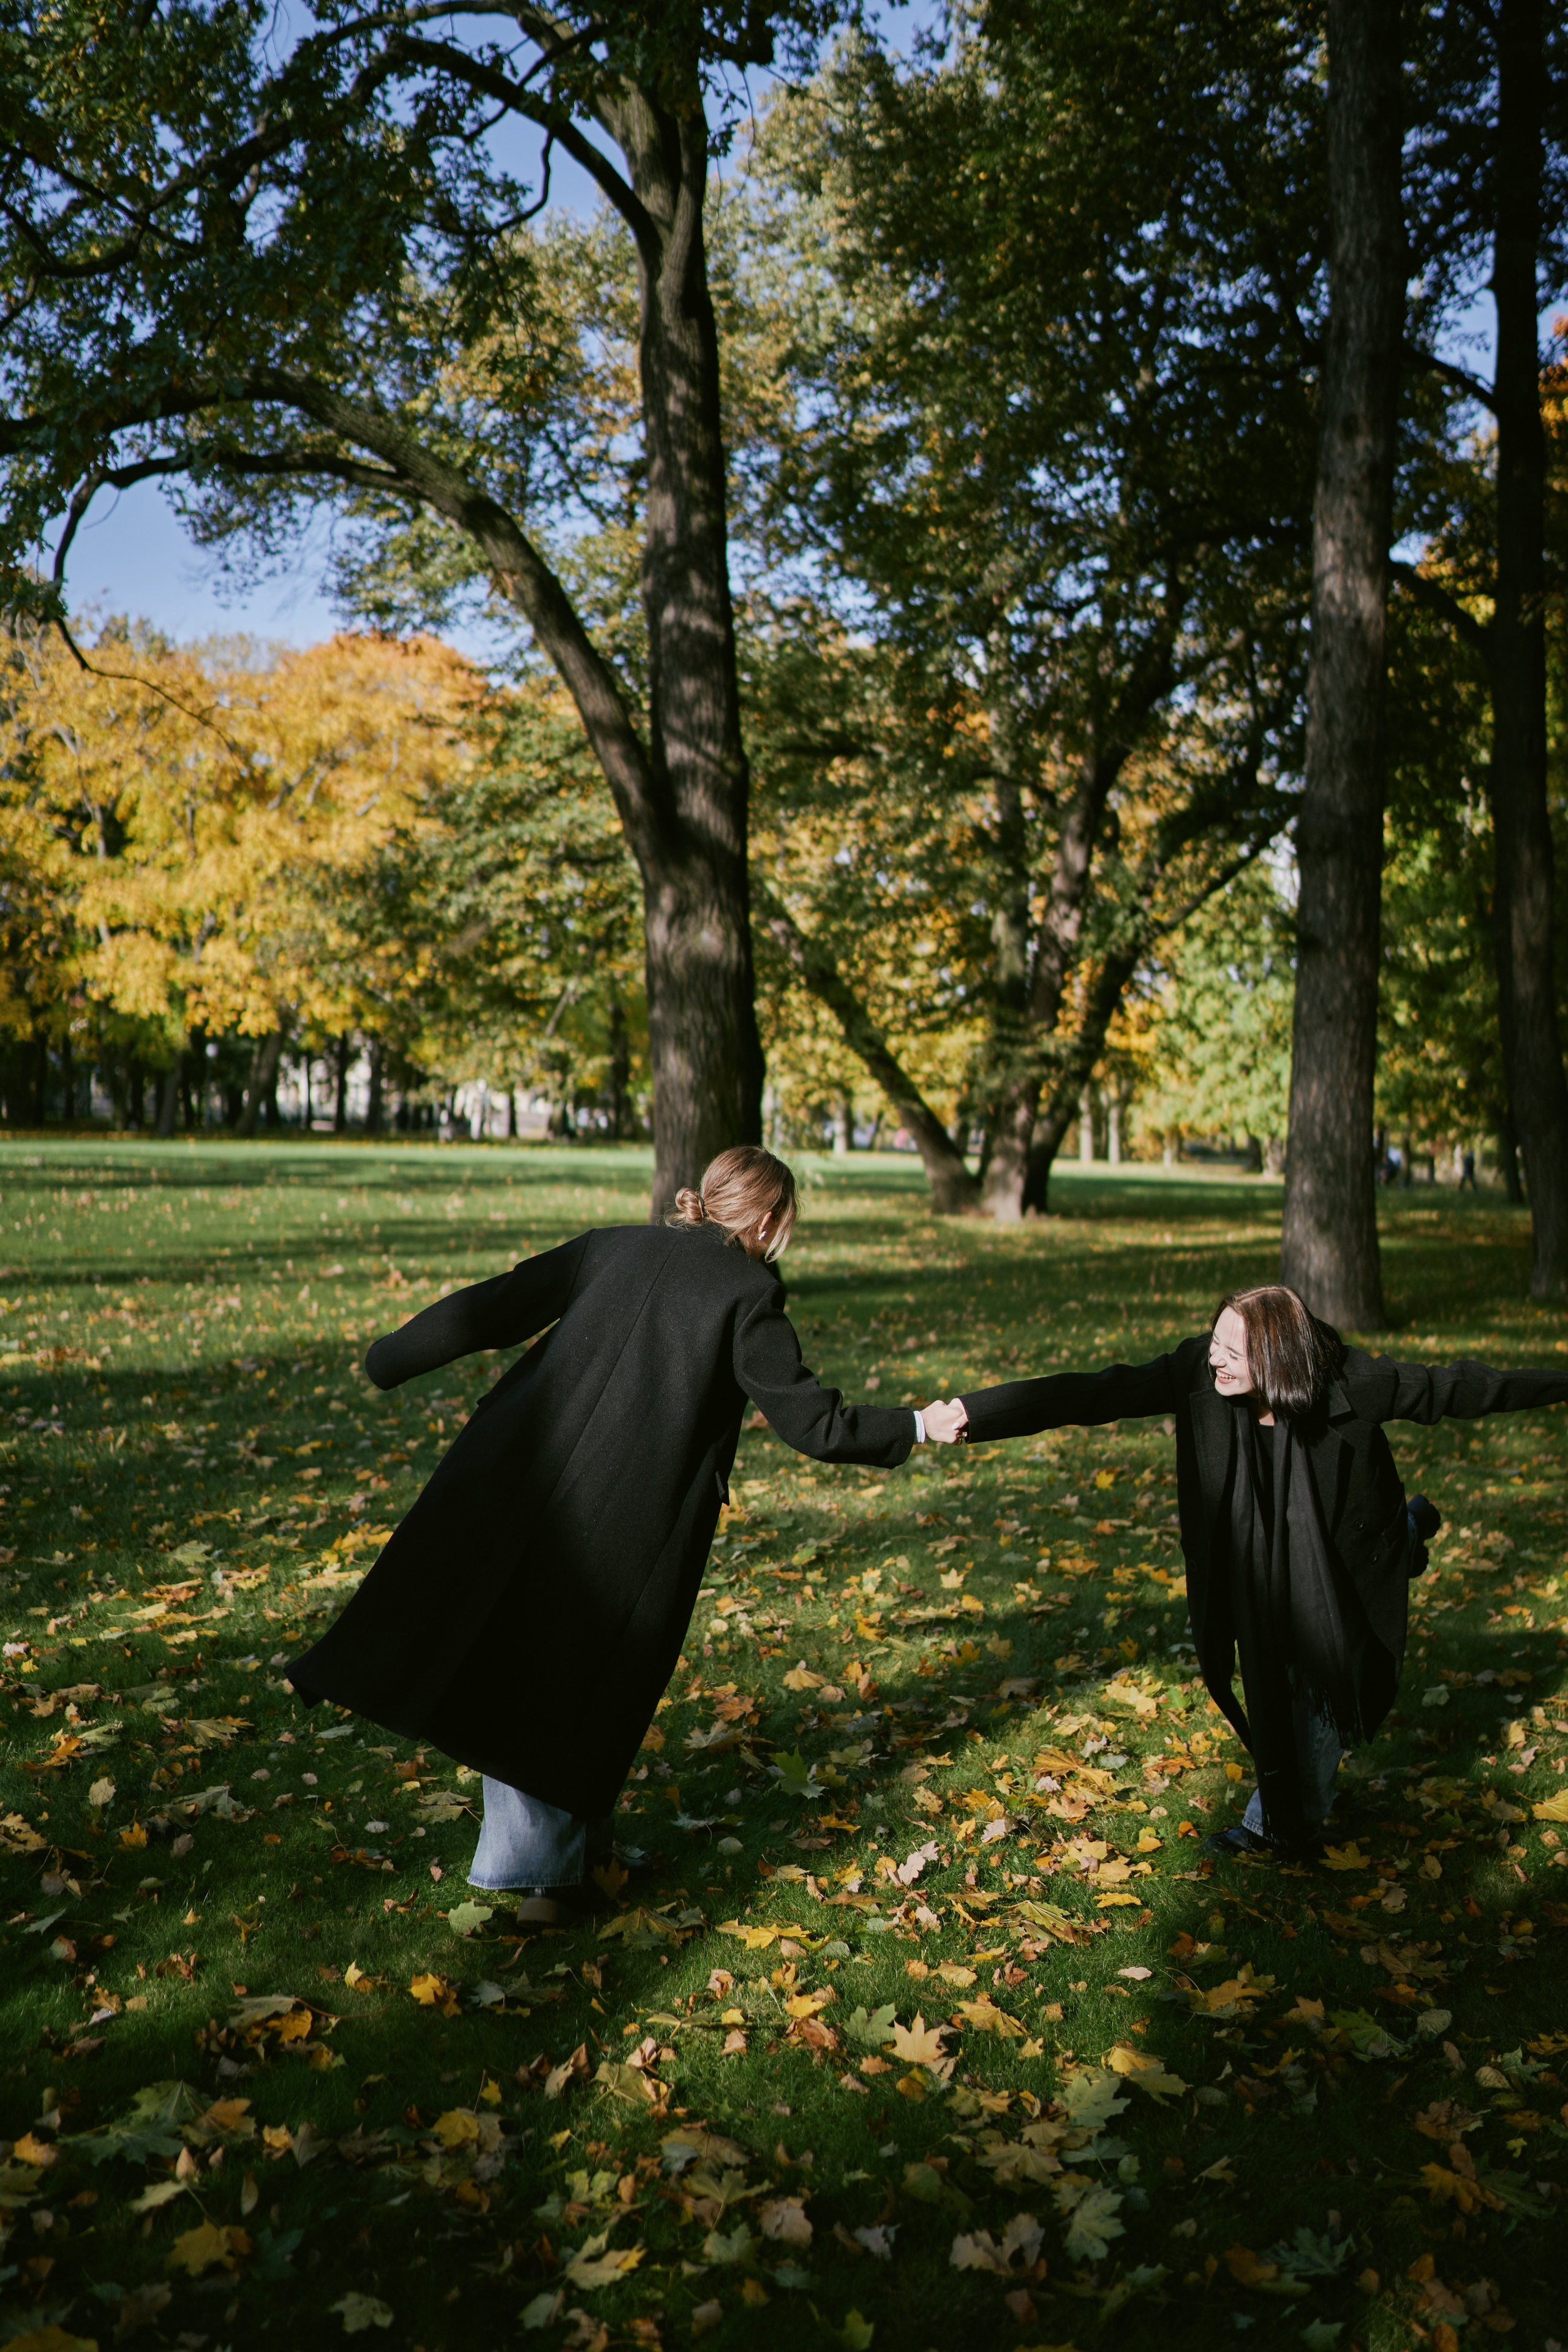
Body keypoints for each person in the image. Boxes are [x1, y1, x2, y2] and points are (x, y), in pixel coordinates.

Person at [289, 1147, 965, 1922]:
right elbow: (813, 1424)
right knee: (556, 1670)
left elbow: (497, 1305)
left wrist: (389, 1357)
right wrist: (918, 1424)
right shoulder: (749, 1291)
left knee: (567, 1666)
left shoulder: (614, 1243)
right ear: (773, 1219)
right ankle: (531, 1880)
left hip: (518, 1471)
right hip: (620, 1510)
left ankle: (577, 1853)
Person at [933, 1287, 1568, 1859]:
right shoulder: (1195, 1375)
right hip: (1257, 1554)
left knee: (1316, 1678)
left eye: (1234, 1350)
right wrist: (978, 1411)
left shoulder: (1354, 1383)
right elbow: (1092, 1392)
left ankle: (1284, 1825)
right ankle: (1413, 1527)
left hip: (1341, 1555)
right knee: (1273, 1666)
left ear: (1279, 1354)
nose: (1217, 1360)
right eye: (1215, 1343)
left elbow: (1462, 1387)